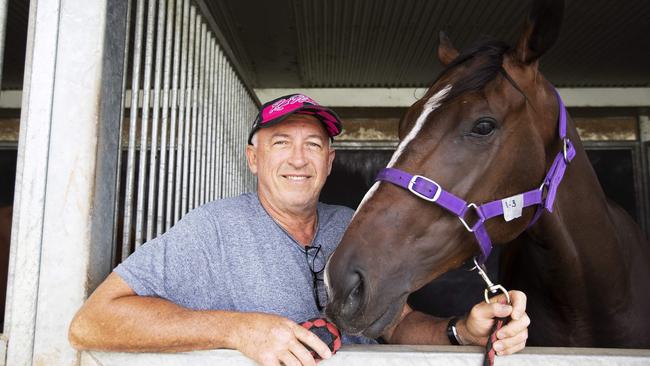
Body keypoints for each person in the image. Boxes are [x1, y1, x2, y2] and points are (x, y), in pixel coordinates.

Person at [69, 94, 530, 366]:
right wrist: (238, 331)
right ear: (254, 159)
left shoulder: (349, 226)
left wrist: (463, 333)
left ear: (329, 162)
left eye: (313, 145)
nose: (297, 159)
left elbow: (397, 324)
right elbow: (93, 322)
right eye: (281, 143)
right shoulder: (213, 229)